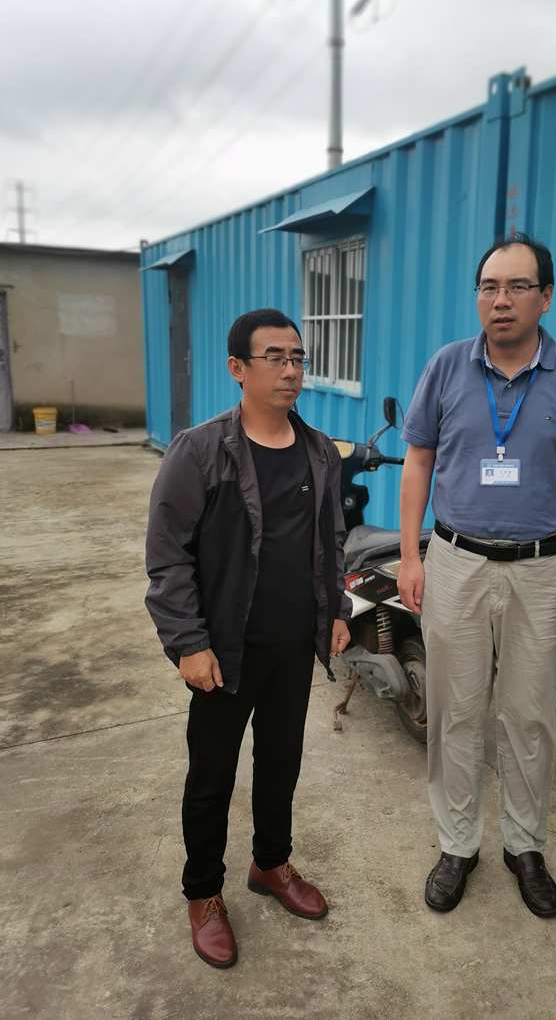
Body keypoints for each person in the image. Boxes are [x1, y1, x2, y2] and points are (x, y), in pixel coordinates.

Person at [397, 233, 556, 918]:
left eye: (518, 286)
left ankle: (525, 846)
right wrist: (411, 556)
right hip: (456, 562)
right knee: (455, 711)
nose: (501, 300)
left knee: (529, 715)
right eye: (489, 287)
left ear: (545, 297)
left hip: (543, 570)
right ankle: (457, 844)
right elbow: (418, 463)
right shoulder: (445, 367)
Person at [145, 308, 351, 968]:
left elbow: (331, 538)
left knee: (281, 761)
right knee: (212, 775)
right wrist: (188, 641)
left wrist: (336, 609)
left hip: (293, 645)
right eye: (275, 357)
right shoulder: (201, 450)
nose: (291, 370)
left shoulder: (319, 451)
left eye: (298, 357)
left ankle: (270, 863)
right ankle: (204, 892)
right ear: (238, 368)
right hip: (224, 650)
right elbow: (168, 555)